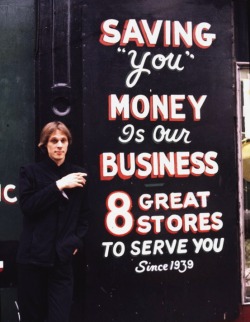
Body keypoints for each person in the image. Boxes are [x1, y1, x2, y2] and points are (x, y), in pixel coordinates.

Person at [16, 121, 89, 322]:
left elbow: (84, 216)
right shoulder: (29, 172)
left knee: (59, 317)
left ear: (68, 144)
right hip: (32, 260)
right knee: (33, 317)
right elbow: (28, 206)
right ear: (44, 145)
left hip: (61, 261)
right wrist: (59, 185)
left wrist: (74, 242)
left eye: (63, 140)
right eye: (53, 140)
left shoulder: (79, 175)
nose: (59, 145)